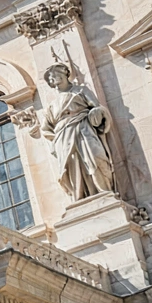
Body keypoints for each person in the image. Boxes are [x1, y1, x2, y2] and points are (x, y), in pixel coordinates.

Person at [41, 61, 114, 200]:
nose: (53, 79)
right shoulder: (52, 105)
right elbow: (45, 128)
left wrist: (97, 114)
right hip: (63, 136)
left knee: (95, 156)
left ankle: (104, 190)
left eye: (56, 75)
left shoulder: (81, 91)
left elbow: (96, 107)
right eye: (51, 78)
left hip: (83, 128)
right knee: (72, 166)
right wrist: (56, 139)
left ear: (64, 75)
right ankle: (80, 196)